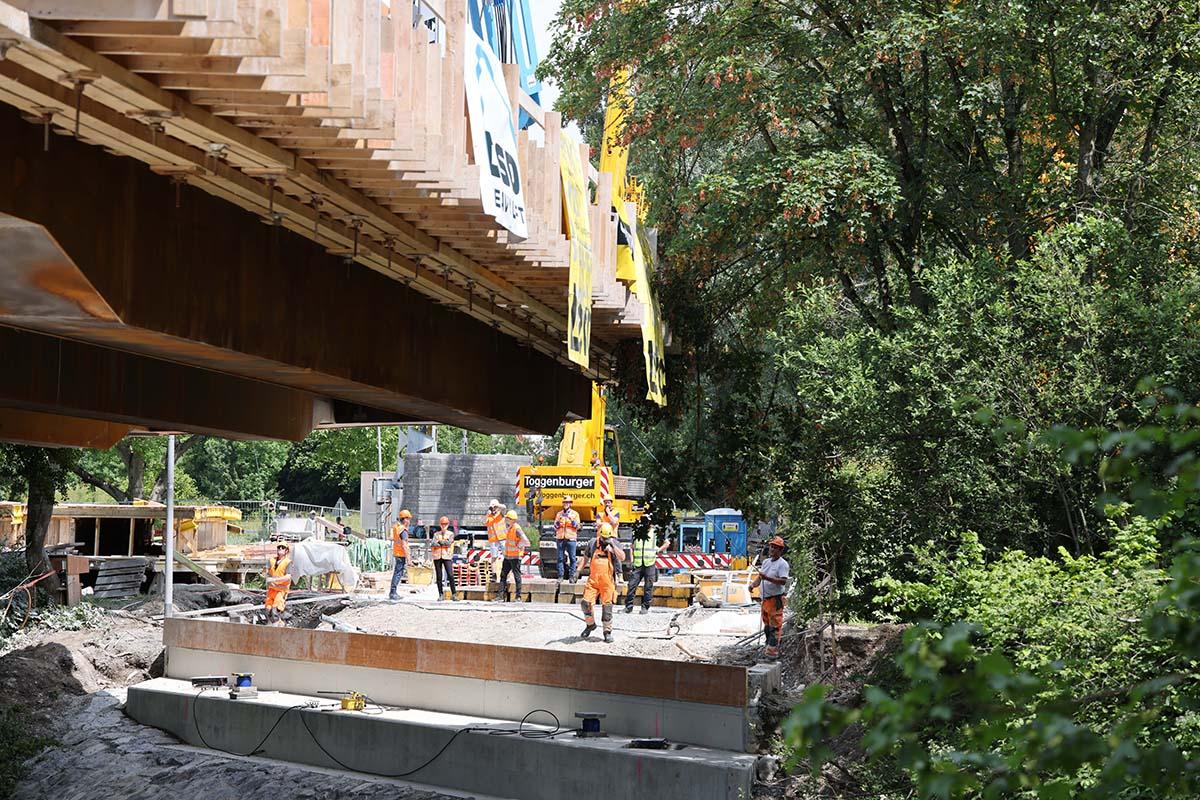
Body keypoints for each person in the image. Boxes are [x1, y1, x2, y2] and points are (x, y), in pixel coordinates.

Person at [576, 522, 624, 643]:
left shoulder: (615, 543)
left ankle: (607, 632)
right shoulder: (592, 543)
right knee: (585, 603)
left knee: (607, 607)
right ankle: (590, 625)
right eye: (603, 538)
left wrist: (612, 548)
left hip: (607, 581)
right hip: (593, 580)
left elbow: (623, 557)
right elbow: (585, 558)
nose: (604, 540)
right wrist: (577, 571)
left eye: (607, 538)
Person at [750, 536, 790, 660]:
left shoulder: (783, 564)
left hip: (775, 599)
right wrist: (753, 585)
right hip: (765, 600)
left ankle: (772, 653)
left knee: (775, 627)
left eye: (775, 548)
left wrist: (767, 578)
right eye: (772, 546)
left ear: (780, 550)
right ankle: (768, 648)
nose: (772, 549)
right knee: (767, 626)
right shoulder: (767, 562)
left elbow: (783, 581)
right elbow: (760, 577)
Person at [624, 525, 670, 615]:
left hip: (649, 563)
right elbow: (632, 546)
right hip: (638, 564)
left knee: (648, 587)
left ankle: (645, 607)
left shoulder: (655, 532)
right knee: (631, 585)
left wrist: (659, 550)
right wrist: (632, 560)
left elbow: (667, 543)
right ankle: (628, 607)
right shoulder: (637, 532)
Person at [499, 510, 530, 602]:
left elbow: (526, 541)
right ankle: (501, 596)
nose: (505, 520)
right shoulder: (510, 528)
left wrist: (519, 545)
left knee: (517, 576)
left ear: (511, 519)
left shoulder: (516, 528)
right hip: (508, 556)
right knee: (503, 575)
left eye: (507, 518)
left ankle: (518, 596)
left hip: (515, 557)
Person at [264, 542, 292, 625]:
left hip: (281, 591)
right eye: (279, 547)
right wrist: (268, 578)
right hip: (271, 590)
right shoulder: (271, 560)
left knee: (275, 610)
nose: (280, 549)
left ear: (286, 551)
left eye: (282, 547)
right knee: (268, 610)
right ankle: (273, 626)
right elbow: (265, 572)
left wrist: (274, 580)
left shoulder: (288, 562)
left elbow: (288, 576)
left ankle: (278, 627)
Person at [554, 495, 581, 581]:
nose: (566, 504)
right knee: (560, 558)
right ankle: (560, 576)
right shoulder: (559, 514)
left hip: (571, 538)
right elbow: (555, 526)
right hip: (560, 538)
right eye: (564, 502)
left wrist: (572, 520)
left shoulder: (575, 514)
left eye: (567, 502)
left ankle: (571, 576)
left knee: (572, 558)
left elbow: (578, 527)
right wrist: (558, 521)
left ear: (570, 504)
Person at [431, 515, 458, 601]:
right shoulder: (436, 534)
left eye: (445, 524)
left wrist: (440, 542)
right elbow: (433, 543)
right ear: (440, 524)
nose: (443, 526)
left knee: (450, 575)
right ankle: (440, 594)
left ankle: (454, 594)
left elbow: (449, 543)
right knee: (439, 576)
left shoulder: (450, 534)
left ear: (448, 524)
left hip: (447, 556)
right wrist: (442, 542)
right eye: (442, 524)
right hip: (437, 557)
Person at [388, 509, 412, 600]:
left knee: (396, 573)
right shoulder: (403, 530)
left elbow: (391, 537)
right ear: (405, 519)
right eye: (408, 519)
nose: (409, 521)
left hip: (396, 552)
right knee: (398, 573)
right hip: (401, 554)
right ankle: (393, 593)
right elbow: (405, 545)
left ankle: (393, 592)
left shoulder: (396, 527)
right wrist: (409, 559)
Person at [485, 499, 505, 583]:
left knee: (507, 556)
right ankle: (494, 575)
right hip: (493, 540)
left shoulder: (501, 513)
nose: (493, 509)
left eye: (494, 507)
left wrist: (497, 505)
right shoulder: (489, 516)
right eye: (492, 507)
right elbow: (484, 522)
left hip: (503, 538)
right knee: (494, 557)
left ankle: (505, 574)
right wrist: (487, 514)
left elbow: (504, 507)